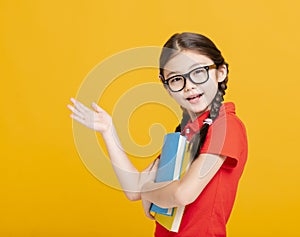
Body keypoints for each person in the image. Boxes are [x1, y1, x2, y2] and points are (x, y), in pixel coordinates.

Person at [67, 32, 248, 237]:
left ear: (220, 72)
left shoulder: (226, 125)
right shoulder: (184, 133)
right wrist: (108, 131)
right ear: (167, 86)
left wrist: (148, 191)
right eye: (177, 79)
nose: (189, 85)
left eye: (198, 72)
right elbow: (133, 189)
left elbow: (182, 193)